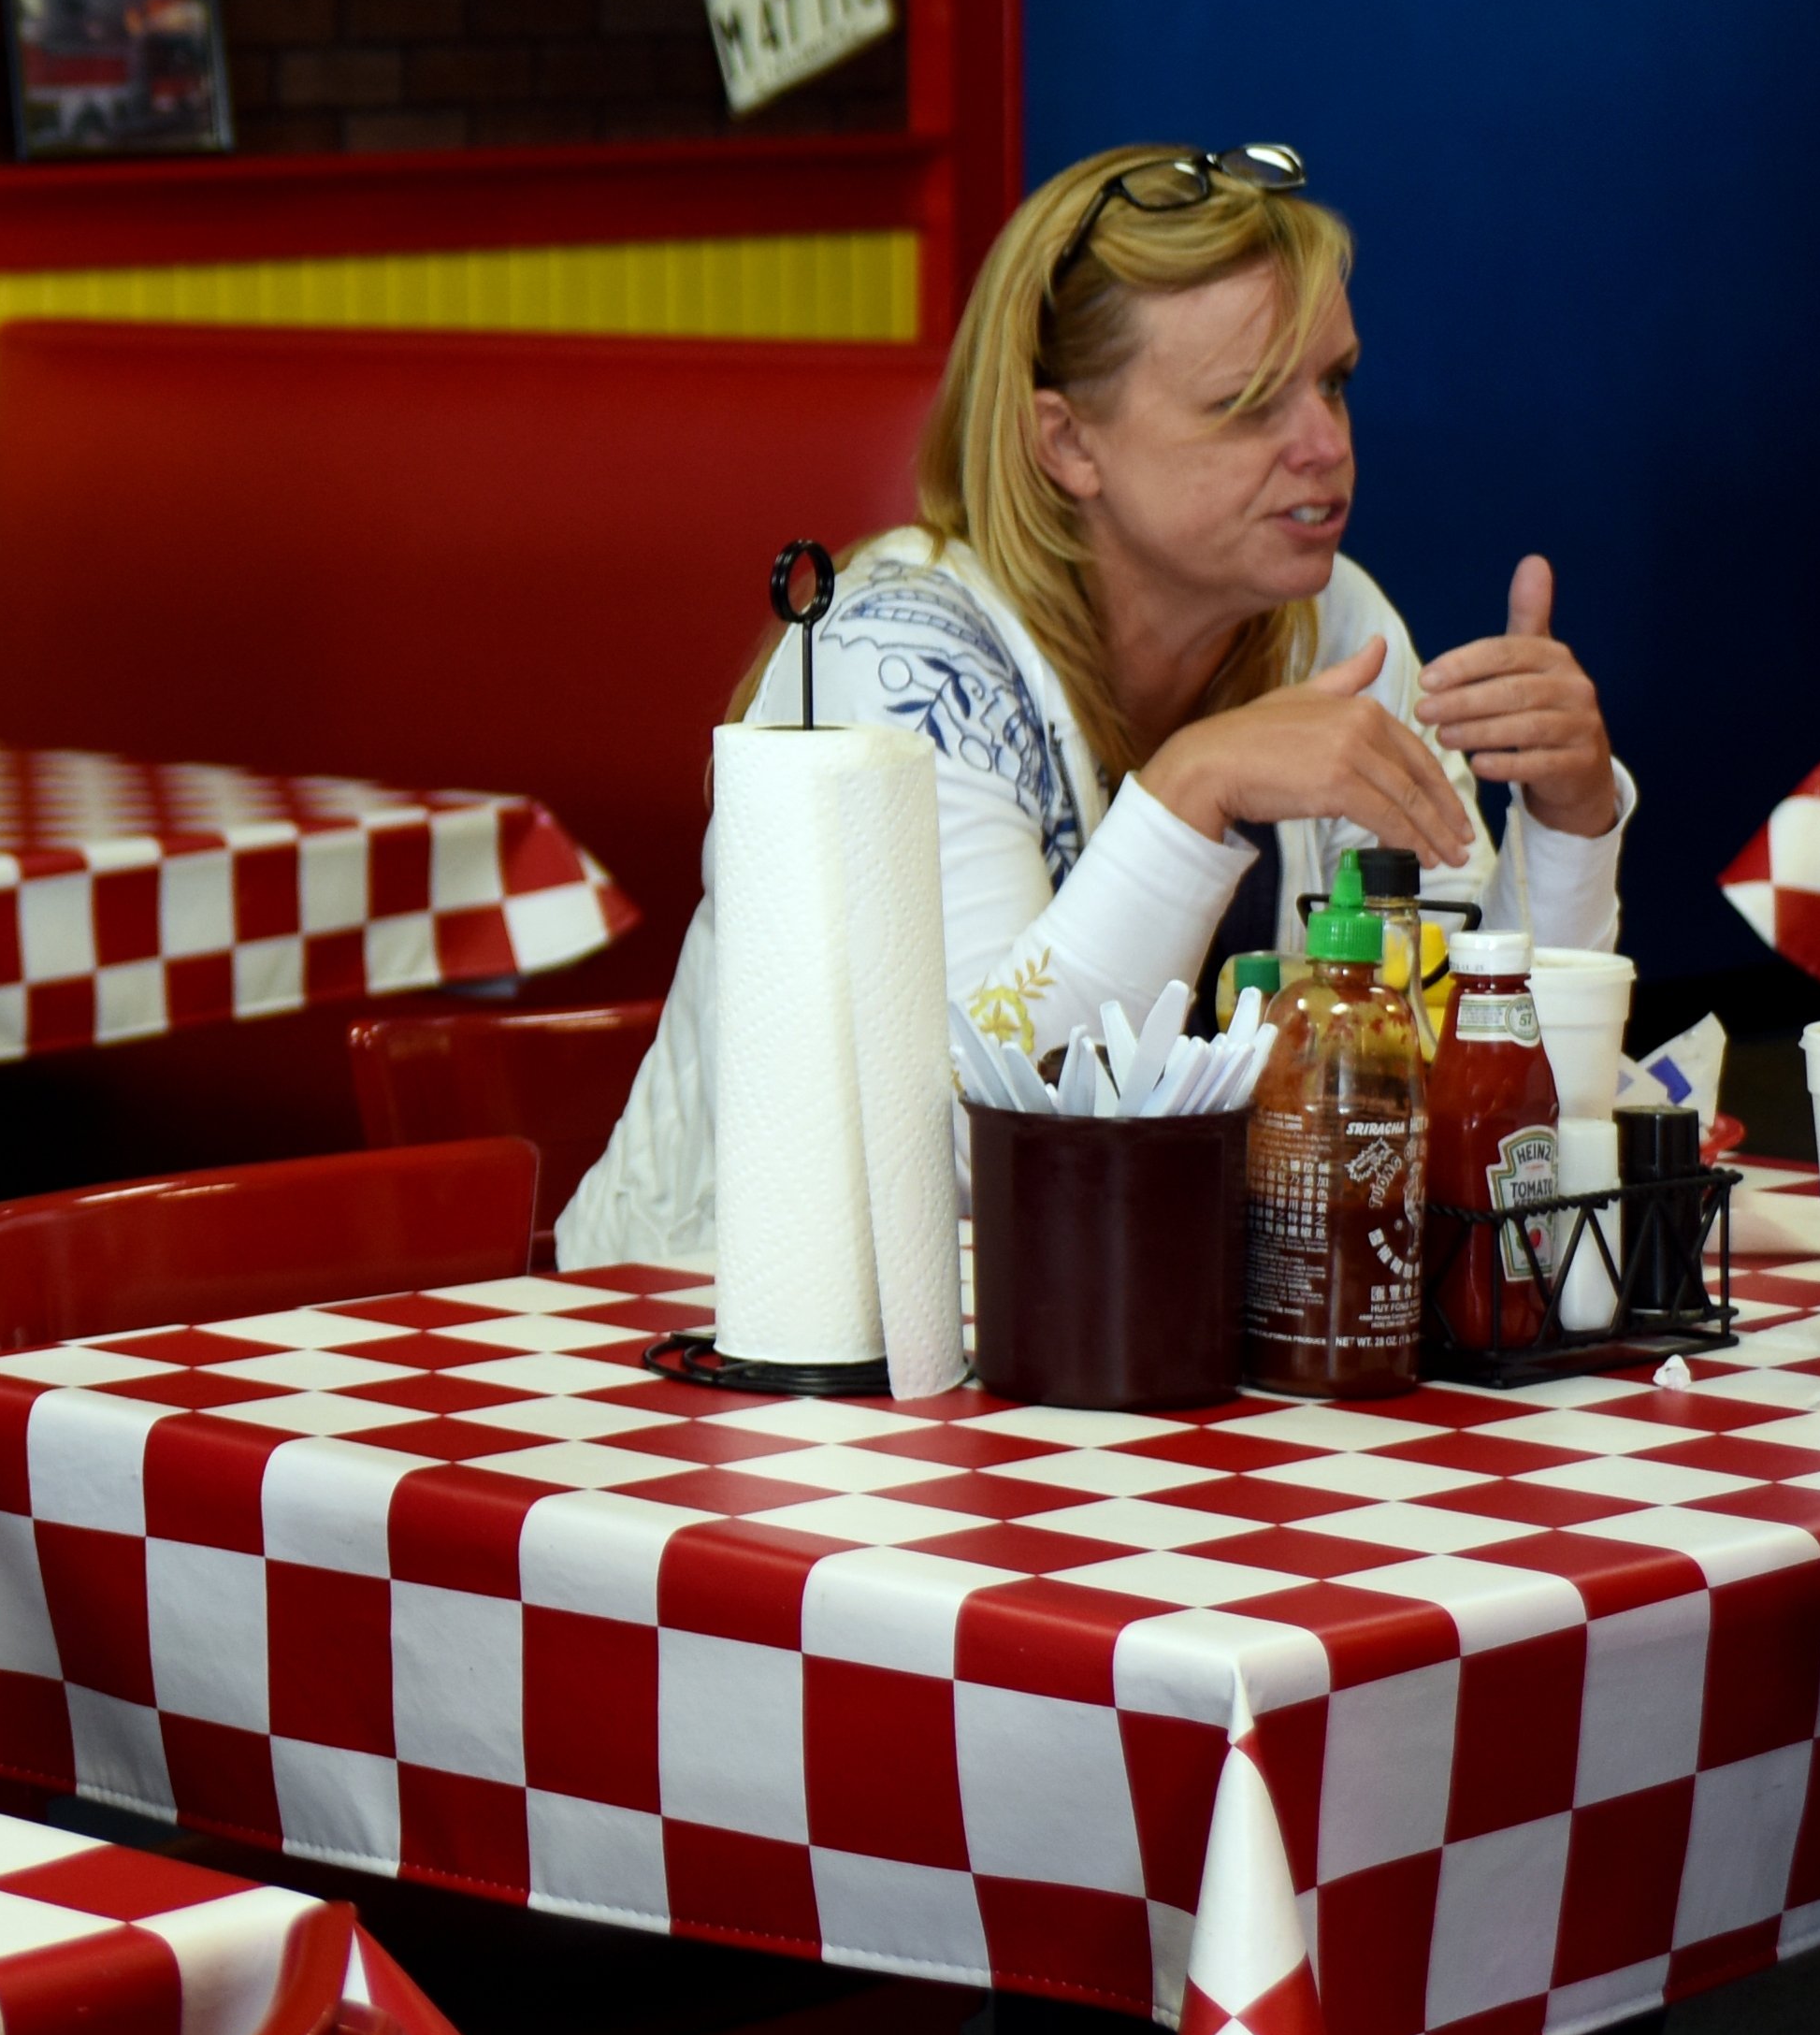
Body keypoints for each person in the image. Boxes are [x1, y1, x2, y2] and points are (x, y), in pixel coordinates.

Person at [560, 142, 1631, 1264]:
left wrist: (1567, 824)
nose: (1324, 445)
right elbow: (963, 1154)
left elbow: (1463, 1101)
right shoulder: (898, 658)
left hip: (1115, 1351)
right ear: (1067, 441)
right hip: (698, 1345)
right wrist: (1186, 793)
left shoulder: (1339, 623)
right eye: (1249, 402)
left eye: (1333, 381)